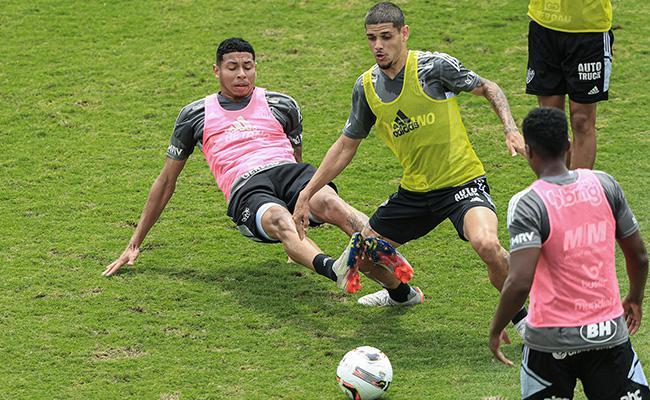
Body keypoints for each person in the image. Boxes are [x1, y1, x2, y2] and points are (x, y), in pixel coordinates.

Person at [103, 37, 407, 297]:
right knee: (279, 220)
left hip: (287, 171)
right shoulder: (194, 115)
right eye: (232, 68)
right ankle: (335, 269)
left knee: (328, 201)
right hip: (247, 187)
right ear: (216, 71)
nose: (241, 75)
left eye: (248, 67)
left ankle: (384, 250)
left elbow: (296, 156)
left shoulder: (282, 103)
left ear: (256, 67)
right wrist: (134, 243)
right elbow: (166, 182)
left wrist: (304, 208)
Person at [293, 1, 526, 328]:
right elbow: (346, 145)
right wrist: (306, 194)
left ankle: (523, 318)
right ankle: (401, 294)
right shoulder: (367, 87)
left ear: (404, 34)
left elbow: (488, 87)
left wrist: (510, 128)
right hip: (415, 193)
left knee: (487, 244)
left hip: (461, 183)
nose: (378, 46)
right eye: (371, 38)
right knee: (360, 256)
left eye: (385, 37)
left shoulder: (434, 68)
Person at [489, 107, 649, 399]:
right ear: (568, 146)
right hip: (608, 336)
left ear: (529, 151)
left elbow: (520, 281)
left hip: (549, 344)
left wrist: (496, 327)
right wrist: (635, 298)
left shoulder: (527, 204)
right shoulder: (604, 184)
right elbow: (638, 255)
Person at [526, 0, 614, 169]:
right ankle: (558, 188)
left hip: (588, 29)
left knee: (582, 120)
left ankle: (578, 192)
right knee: (551, 121)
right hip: (544, 25)